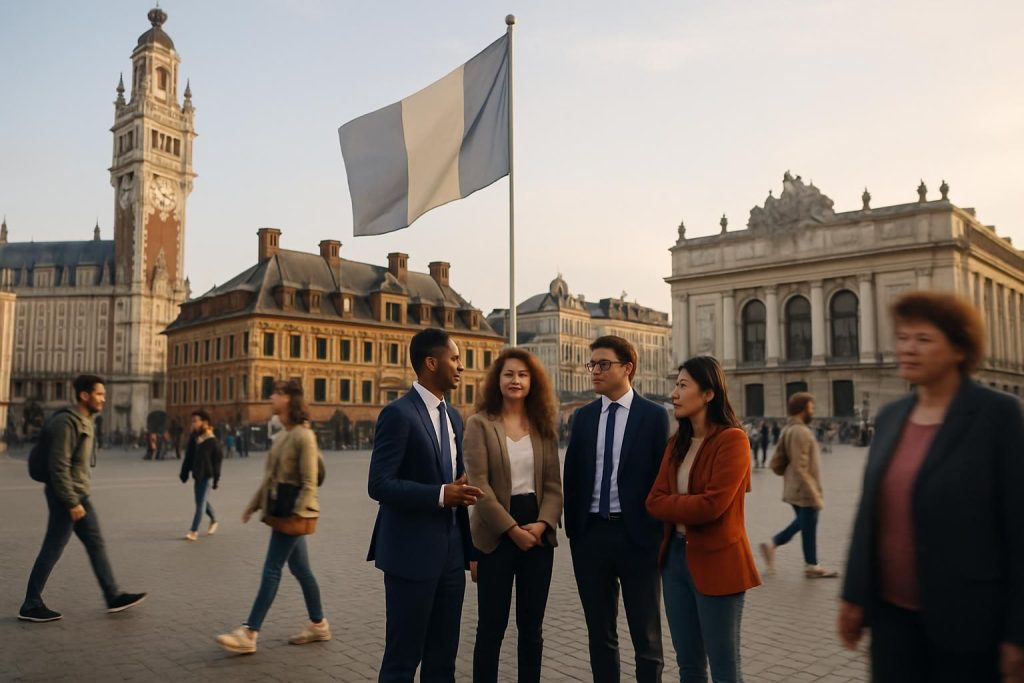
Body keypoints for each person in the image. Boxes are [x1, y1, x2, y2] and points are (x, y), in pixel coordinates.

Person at [839, 291, 1024, 683]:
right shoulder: (892, 416)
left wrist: (1017, 634)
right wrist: (854, 595)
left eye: (923, 339)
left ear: (959, 348)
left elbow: (1018, 528)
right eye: (903, 337)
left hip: (970, 625)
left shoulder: (998, 415)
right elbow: (870, 514)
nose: (907, 348)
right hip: (892, 623)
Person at [367, 328, 482, 681]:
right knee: (403, 658)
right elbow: (379, 484)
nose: (461, 367)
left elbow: (456, 486)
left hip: (450, 556)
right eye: (455, 359)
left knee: (443, 658)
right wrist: (439, 494)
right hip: (409, 556)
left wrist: (470, 550)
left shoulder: (454, 416)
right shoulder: (398, 414)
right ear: (431, 363)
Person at [646, 356, 761, 682]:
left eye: (683, 386)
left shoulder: (733, 440)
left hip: (719, 560)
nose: (674, 393)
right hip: (675, 561)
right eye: (675, 385)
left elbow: (713, 507)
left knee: (725, 669)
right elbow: (652, 502)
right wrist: (685, 504)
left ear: (708, 393)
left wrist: (674, 503)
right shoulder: (676, 443)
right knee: (689, 666)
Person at [563, 335, 669, 683]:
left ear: (629, 368)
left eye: (604, 364)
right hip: (591, 537)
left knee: (647, 635)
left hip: (638, 537)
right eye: (592, 364)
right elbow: (574, 477)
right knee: (600, 633)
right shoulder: (583, 418)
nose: (595, 371)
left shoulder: (654, 417)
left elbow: (661, 478)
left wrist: (655, 532)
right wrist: (576, 533)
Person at [464, 348, 563, 683]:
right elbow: (478, 486)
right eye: (509, 374)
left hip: (538, 529)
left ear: (532, 381)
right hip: (495, 532)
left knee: (532, 628)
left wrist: (541, 524)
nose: (515, 380)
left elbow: (553, 485)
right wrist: (512, 530)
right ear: (498, 380)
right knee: (491, 627)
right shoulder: (479, 424)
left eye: (522, 374)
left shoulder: (543, 425)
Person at [18, 374, 147, 622]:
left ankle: (112, 595)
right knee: (53, 548)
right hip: (65, 497)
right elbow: (59, 466)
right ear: (84, 395)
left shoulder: (85, 420)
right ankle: (31, 603)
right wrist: (71, 502)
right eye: (99, 394)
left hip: (78, 495)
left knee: (95, 544)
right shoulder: (67, 423)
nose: (103, 399)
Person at [215, 380, 328, 654]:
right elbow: (270, 479)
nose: (271, 397)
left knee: (271, 570)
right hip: (282, 512)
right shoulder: (284, 435)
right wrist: (253, 505)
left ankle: (250, 632)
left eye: (277, 393)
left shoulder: (303, 435)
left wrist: (296, 514)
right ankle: (319, 624)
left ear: (289, 399)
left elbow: (310, 481)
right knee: (301, 570)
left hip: (291, 514)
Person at [759, 393, 838, 578]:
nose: (813, 411)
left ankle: (810, 564)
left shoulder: (790, 428)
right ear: (803, 409)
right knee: (806, 523)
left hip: (796, 487)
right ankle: (774, 544)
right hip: (804, 488)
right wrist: (814, 493)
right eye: (811, 408)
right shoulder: (801, 431)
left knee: (805, 525)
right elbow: (800, 465)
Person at [179, 409, 223, 541]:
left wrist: (216, 479)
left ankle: (194, 531)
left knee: (200, 504)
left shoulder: (212, 441)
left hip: (207, 476)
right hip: (197, 475)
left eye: (195, 421)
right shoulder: (194, 439)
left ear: (205, 422)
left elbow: (217, 462)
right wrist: (184, 472)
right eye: (192, 422)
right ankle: (214, 520)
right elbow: (189, 457)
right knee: (201, 501)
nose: (193, 424)